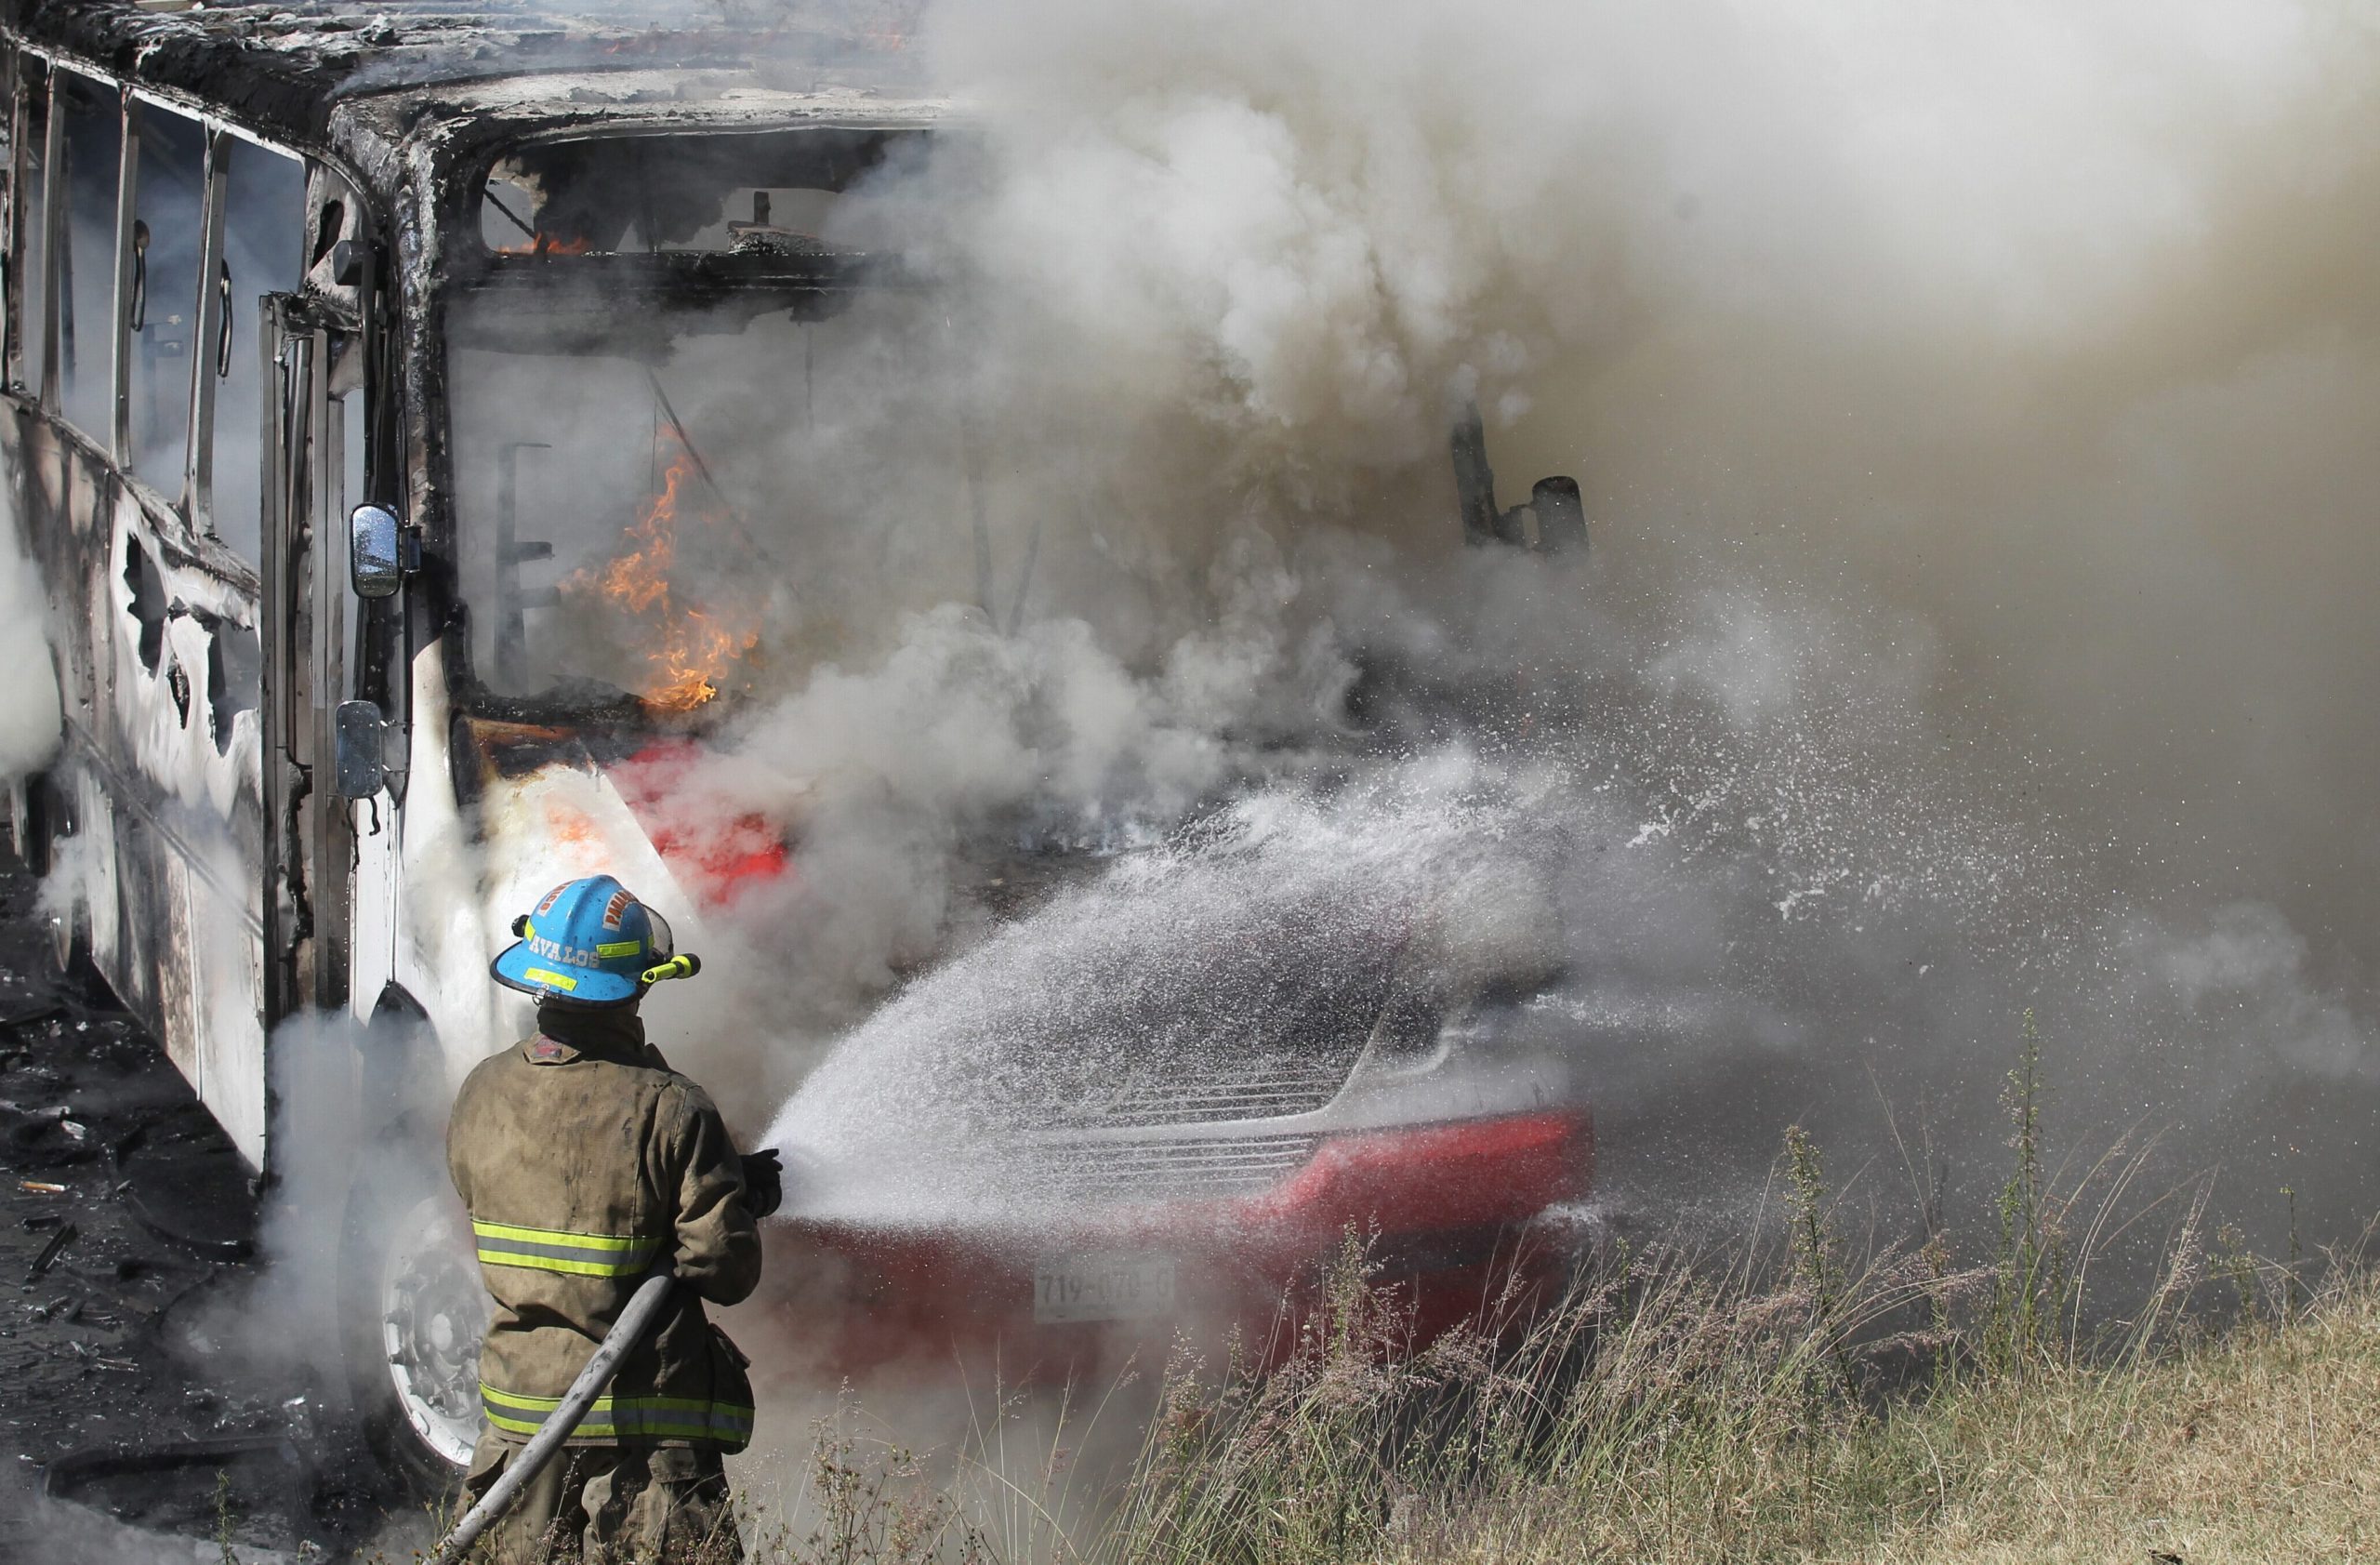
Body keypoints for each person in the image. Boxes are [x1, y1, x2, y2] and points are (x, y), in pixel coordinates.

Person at [448, 874, 784, 1563]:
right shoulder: (672, 1107)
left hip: (521, 1422)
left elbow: (534, 1204)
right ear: (637, 987)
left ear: (539, 980)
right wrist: (733, 1197)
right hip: (645, 1427)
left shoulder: (481, 1089)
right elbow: (725, 1267)